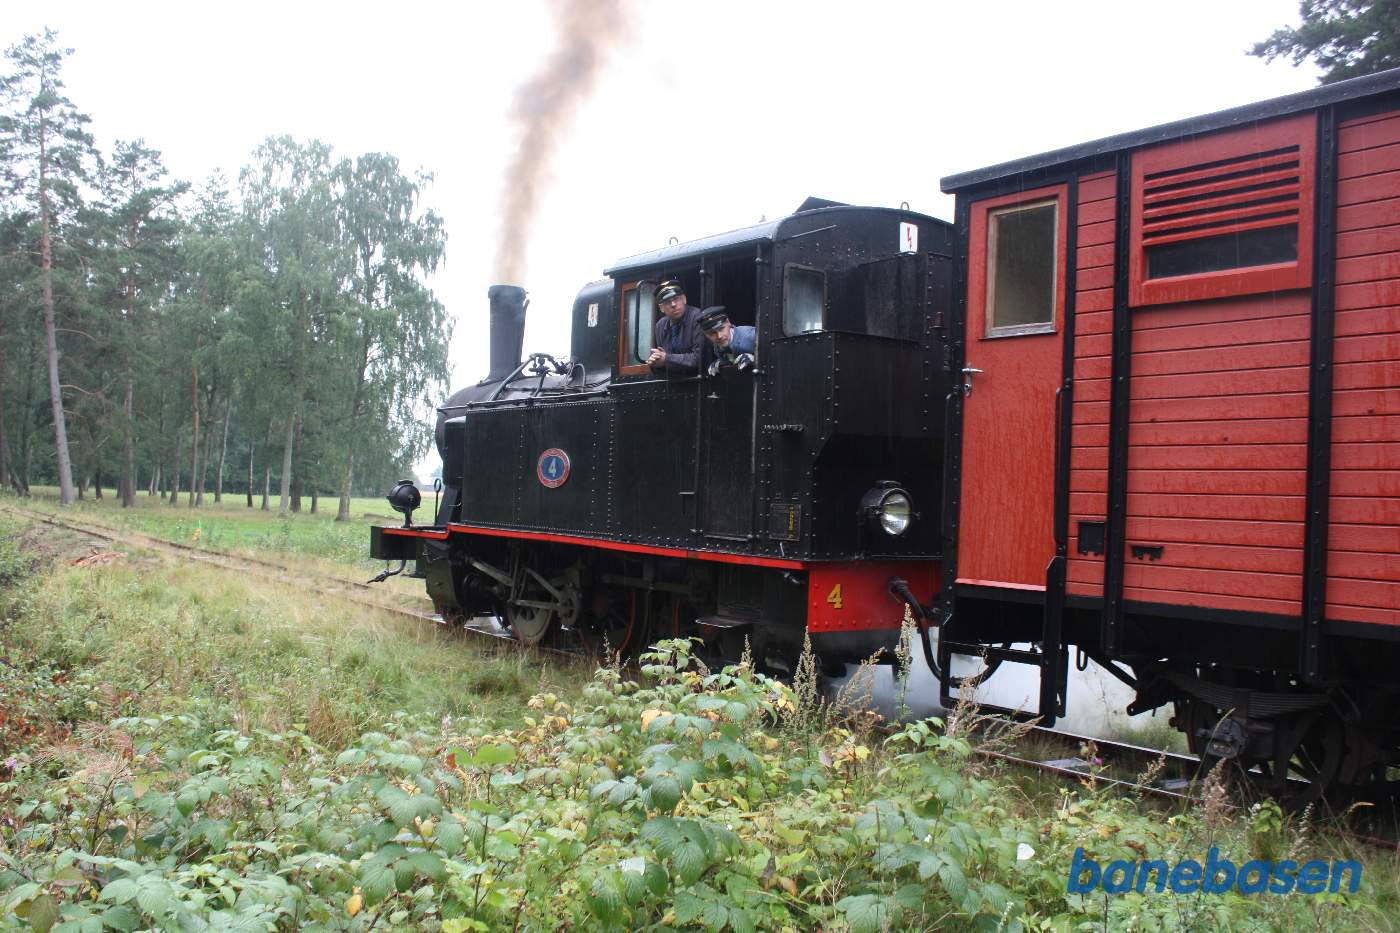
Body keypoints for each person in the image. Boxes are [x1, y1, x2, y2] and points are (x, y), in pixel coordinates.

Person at [646, 280, 704, 375]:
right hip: (673, 380)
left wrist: (666, 358)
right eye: (667, 302)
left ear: (684, 299)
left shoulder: (697, 317)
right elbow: (661, 358)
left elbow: (699, 358)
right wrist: (655, 361)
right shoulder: (660, 325)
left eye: (676, 299)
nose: (673, 304)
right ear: (661, 308)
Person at [698, 306, 756, 376]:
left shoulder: (751, 335)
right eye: (712, 333)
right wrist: (723, 362)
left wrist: (756, 359)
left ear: (728, 322)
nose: (719, 336)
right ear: (706, 335)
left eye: (721, 329)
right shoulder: (717, 347)